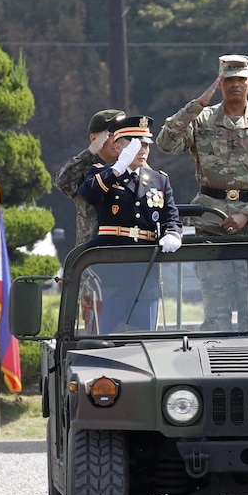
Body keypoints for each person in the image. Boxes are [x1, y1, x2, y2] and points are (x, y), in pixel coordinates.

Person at [156, 54, 248, 331]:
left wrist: (246, 215)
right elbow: (166, 144)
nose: (235, 85)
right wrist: (196, 105)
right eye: (228, 80)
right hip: (212, 224)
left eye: (240, 79)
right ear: (220, 84)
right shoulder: (201, 119)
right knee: (216, 314)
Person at [77, 116, 183, 333]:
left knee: (145, 340)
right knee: (106, 340)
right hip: (112, 270)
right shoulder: (102, 174)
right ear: (117, 146)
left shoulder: (158, 180)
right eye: (134, 144)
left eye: (145, 144)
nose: (142, 149)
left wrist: (173, 234)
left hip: (145, 272)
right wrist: (117, 168)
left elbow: (171, 216)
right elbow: (88, 193)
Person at [53, 108, 126, 246]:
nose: (118, 141)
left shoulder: (132, 167)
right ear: (94, 139)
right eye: (111, 135)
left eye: (121, 135)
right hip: (91, 254)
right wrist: (90, 152)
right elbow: (62, 182)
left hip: (126, 252)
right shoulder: (84, 170)